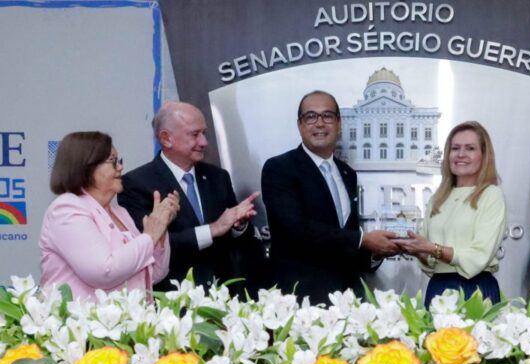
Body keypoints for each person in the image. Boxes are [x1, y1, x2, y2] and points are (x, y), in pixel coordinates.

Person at [261, 90, 400, 304]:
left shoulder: (347, 174)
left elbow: (345, 236)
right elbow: (295, 229)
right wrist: (363, 240)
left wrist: (377, 252)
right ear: (300, 125)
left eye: (327, 116)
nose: (319, 123)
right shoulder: (279, 168)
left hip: (347, 298)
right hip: (300, 298)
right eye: (311, 116)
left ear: (338, 123)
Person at [118, 101, 259, 291]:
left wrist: (239, 225)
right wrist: (214, 228)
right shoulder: (136, 184)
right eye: (195, 134)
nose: (204, 142)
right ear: (166, 139)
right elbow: (149, 246)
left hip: (226, 294)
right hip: (175, 303)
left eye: (204, 133)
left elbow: (237, 241)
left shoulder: (217, 177)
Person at [40, 131, 179, 300]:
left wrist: (161, 231)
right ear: (86, 166)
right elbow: (104, 272)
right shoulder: (66, 209)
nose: (120, 167)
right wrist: (150, 235)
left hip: (131, 322)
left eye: (119, 161)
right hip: (83, 324)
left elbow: (154, 274)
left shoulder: (120, 212)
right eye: (113, 161)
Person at [396, 121, 506, 308]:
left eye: (470, 148)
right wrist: (416, 249)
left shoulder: (491, 195)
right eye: (455, 148)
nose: (461, 154)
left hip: (476, 290)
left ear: (484, 156)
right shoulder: (438, 198)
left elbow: (479, 256)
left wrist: (432, 248)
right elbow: (430, 261)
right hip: (438, 288)